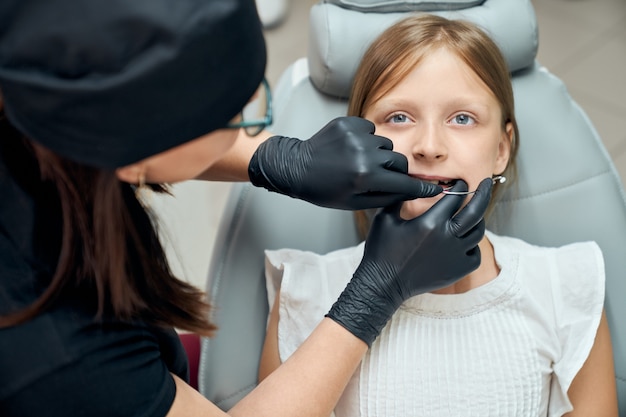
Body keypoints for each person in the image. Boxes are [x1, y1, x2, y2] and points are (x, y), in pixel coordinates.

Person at [0, 1, 494, 416]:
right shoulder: (60, 356)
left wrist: (280, 159)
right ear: (130, 155)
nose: (430, 146)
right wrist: (376, 292)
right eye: (229, 117)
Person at [259, 14, 618, 416]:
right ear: (355, 145)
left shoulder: (565, 287)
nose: (429, 146)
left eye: (462, 118)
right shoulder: (305, 293)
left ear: (502, 147)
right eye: (399, 117)